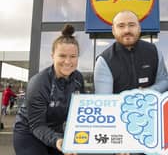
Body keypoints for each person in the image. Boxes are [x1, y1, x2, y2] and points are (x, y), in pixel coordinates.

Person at [94, 10, 168, 155]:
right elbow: (105, 104)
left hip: (155, 126)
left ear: (139, 28)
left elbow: (164, 80)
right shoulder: (104, 60)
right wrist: (118, 142)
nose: (127, 30)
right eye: (121, 26)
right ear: (114, 30)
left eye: (131, 25)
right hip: (122, 128)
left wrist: (148, 93)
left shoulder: (153, 51)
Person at [13, 24, 85, 155]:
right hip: (30, 132)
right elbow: (37, 125)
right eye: (62, 56)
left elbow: (80, 112)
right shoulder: (38, 83)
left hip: (57, 132)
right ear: (53, 56)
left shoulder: (78, 78)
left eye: (73, 56)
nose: (68, 61)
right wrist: (57, 139)